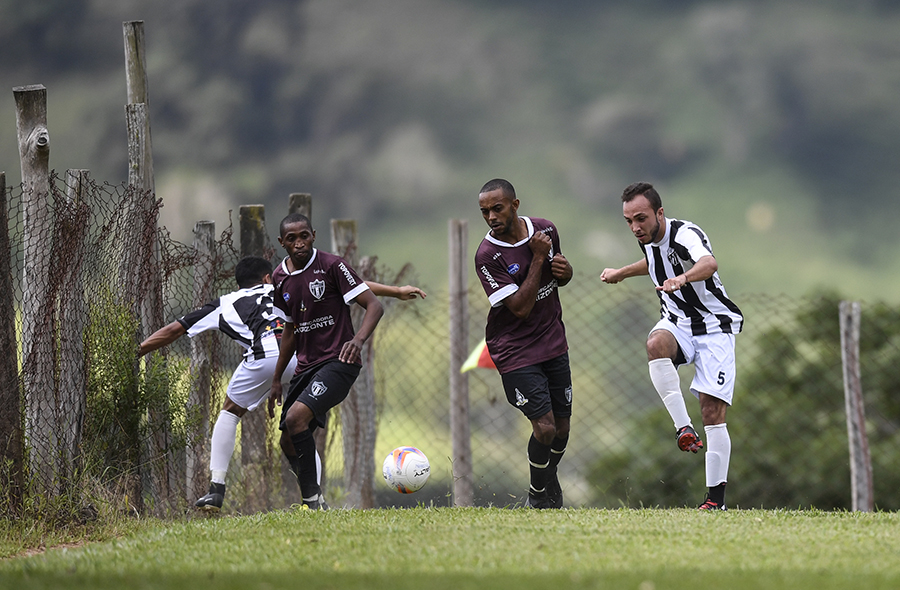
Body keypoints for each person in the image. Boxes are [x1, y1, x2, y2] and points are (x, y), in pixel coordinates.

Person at [139, 256, 425, 512]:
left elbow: (174, 329)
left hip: (264, 359)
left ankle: (216, 488)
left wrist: (138, 350)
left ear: (239, 284)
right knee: (300, 429)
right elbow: (351, 285)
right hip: (301, 357)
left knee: (230, 411)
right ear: (268, 277)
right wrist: (396, 291)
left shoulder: (225, 302)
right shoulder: (286, 284)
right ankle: (316, 498)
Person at [600, 182, 743, 511]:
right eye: (628, 221)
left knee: (712, 412)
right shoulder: (647, 239)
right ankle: (683, 428)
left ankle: (715, 501)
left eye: (641, 218)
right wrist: (622, 273)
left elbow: (709, 263)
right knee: (656, 343)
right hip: (677, 322)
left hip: (714, 327)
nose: (635, 227)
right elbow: (653, 263)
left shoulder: (685, 234)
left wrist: (683, 278)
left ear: (659, 213)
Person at [267, 212, 385, 510]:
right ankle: (317, 498)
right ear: (282, 243)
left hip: (339, 360)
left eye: (304, 236)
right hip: (305, 367)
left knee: (296, 418)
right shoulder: (280, 277)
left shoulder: (332, 265)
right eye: (292, 238)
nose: (299, 243)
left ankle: (311, 502)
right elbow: (289, 332)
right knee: (287, 440)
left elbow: (374, 305)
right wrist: (276, 379)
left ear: (313, 236)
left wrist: (357, 341)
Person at [474, 178, 574, 509]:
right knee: (544, 429)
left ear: (514, 205)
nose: (491, 217)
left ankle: (547, 478)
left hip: (553, 340)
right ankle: (537, 497)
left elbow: (561, 275)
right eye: (484, 211)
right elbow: (519, 308)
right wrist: (538, 258)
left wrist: (565, 271)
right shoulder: (487, 255)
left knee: (562, 429)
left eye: (497, 208)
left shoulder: (546, 230)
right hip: (514, 349)